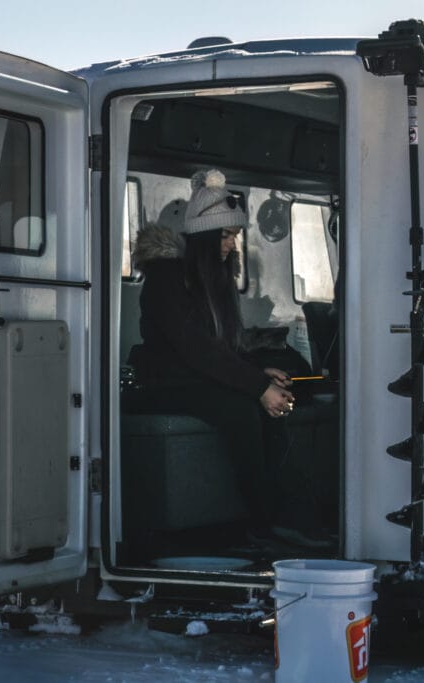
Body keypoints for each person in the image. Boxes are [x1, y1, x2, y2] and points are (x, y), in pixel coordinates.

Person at [128, 169, 328, 547]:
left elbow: (218, 347)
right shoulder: (166, 279)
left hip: (193, 378)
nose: (231, 244)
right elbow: (195, 349)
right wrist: (257, 387)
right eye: (225, 235)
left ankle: (291, 513)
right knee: (242, 408)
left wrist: (259, 371)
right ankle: (263, 521)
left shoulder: (211, 276)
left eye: (234, 235)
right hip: (162, 383)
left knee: (275, 398)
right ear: (202, 237)